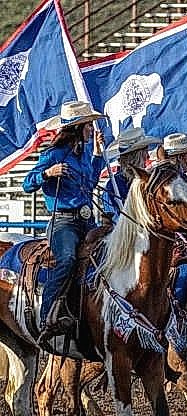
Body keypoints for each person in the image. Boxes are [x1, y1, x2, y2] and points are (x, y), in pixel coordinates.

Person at [22, 101, 105, 347]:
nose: (92, 128)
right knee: (67, 258)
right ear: (78, 127)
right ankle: (48, 314)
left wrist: (98, 154)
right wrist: (48, 173)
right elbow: (28, 184)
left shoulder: (84, 156)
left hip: (87, 219)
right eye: (88, 124)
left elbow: (89, 185)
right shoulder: (53, 154)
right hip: (64, 222)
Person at [101, 127, 161, 224]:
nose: (148, 157)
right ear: (137, 156)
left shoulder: (147, 181)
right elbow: (115, 221)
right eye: (145, 152)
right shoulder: (114, 185)